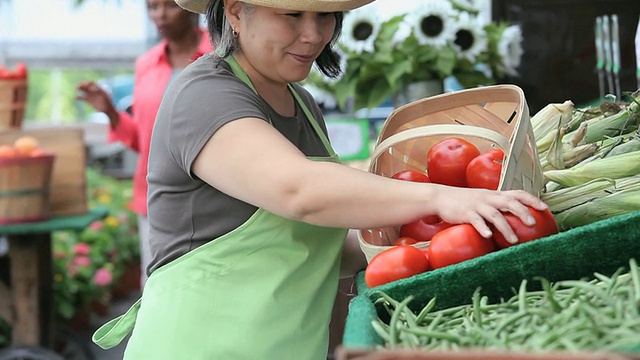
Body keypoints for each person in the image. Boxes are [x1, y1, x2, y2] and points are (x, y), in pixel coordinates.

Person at [91, 0, 549, 358]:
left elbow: (314, 243)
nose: (313, 34)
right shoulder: (203, 94)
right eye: (291, 14)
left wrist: (415, 242)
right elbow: (299, 192)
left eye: (325, 15)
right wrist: (438, 196)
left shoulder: (303, 105)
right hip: (200, 347)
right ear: (234, 11)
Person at [76, 0, 213, 287]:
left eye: (169, 6)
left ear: (191, 7)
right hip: (157, 196)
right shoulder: (146, 65)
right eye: (152, 7)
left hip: (214, 195)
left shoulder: (220, 54)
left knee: (209, 285)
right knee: (156, 286)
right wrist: (111, 112)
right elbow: (145, 141)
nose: (160, 15)